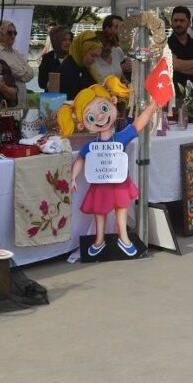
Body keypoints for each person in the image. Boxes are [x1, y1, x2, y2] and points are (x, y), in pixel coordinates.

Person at [57, 77, 160, 258]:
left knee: (121, 210)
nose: (100, 117)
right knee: (99, 212)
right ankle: (99, 239)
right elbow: (80, 159)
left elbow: (138, 124)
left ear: (113, 103)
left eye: (103, 109)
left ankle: (124, 237)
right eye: (90, 117)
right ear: (82, 123)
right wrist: (73, 177)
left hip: (119, 182)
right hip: (100, 184)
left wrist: (152, 107)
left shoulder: (120, 137)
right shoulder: (90, 146)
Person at [168, 6, 193, 92]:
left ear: (189, 23)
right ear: (171, 22)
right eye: (175, 20)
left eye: (182, 20)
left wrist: (179, 67)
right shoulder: (166, 45)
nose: (178, 24)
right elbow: (175, 65)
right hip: (173, 97)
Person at [0, 19, 35, 105]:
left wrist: (22, 72)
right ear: (0, 33)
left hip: (21, 99)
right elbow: (16, 72)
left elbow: (31, 73)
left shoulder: (15, 52)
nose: (13, 36)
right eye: (9, 32)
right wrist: (23, 71)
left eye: (15, 33)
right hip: (7, 101)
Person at [59, 31, 101, 100]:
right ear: (82, 51)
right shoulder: (68, 68)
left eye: (97, 57)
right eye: (92, 55)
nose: (94, 60)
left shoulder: (85, 66)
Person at [38, 25, 73, 92]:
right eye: (64, 40)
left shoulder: (73, 57)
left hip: (70, 99)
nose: (68, 43)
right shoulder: (47, 58)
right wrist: (51, 84)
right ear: (57, 40)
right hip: (53, 99)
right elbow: (41, 83)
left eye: (69, 40)